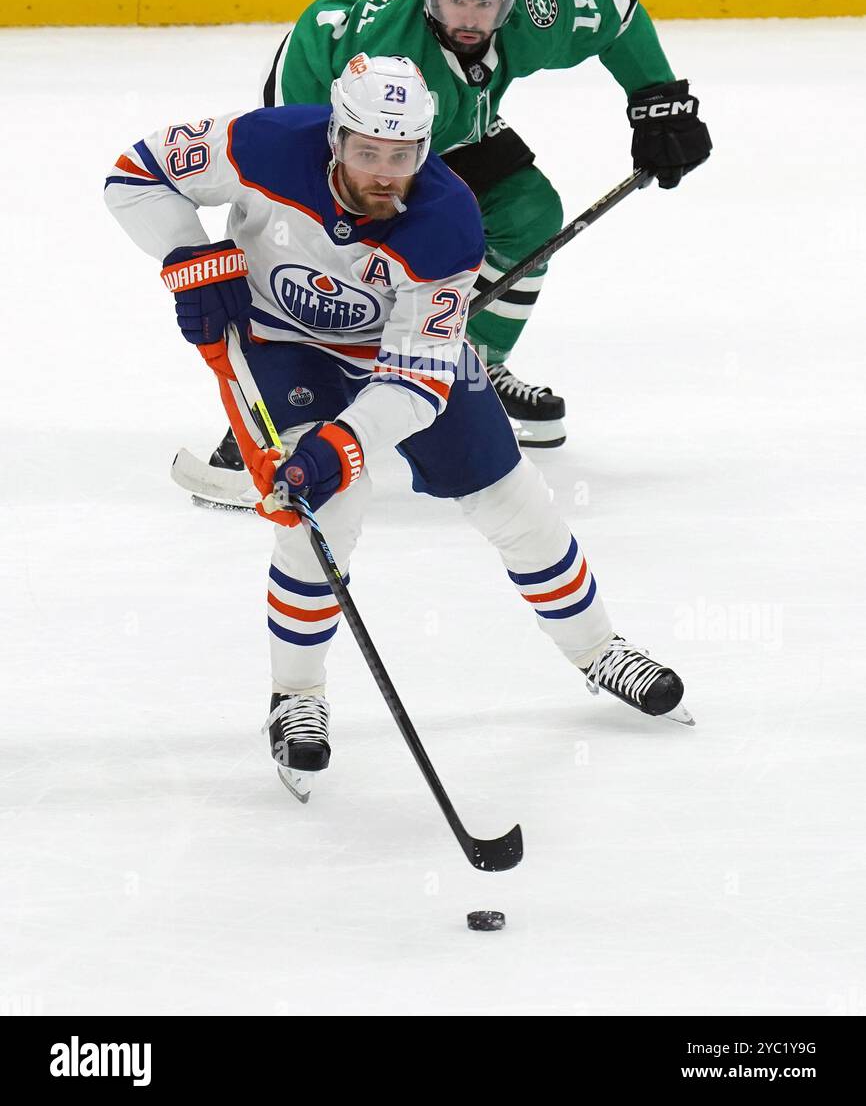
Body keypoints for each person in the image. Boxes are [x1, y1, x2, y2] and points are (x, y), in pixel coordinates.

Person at [105, 54, 691, 793]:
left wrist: (343, 445)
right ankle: (298, 699)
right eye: (367, 152)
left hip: (398, 359)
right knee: (321, 517)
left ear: (425, 146)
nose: (385, 172)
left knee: (512, 498)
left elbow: (415, 382)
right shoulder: (263, 143)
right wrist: (189, 256)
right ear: (335, 138)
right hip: (284, 348)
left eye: (403, 155)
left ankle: (598, 650)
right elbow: (135, 172)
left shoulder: (446, 222)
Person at [191, 0, 711, 504]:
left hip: (446, 125)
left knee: (529, 213)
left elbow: (619, 15)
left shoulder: (539, 7)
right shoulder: (388, 44)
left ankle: (474, 368)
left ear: (511, 0)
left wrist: (659, 100)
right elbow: (332, 153)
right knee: (332, 254)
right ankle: (278, 407)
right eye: (456, 1)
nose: (470, 19)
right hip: (334, 122)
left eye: (486, 5)